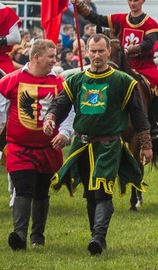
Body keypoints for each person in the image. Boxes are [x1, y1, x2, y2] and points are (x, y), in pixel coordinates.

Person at [44, 34, 152, 256]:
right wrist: (51, 117)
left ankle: (98, 237)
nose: (96, 56)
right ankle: (96, 237)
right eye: (92, 51)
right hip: (82, 145)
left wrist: (146, 144)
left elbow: (139, 116)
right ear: (86, 52)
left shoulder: (123, 81)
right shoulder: (76, 80)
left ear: (108, 52)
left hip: (108, 145)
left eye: (100, 51)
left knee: (102, 190)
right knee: (90, 194)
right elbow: (61, 103)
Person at [0, 39, 74, 250]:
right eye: (51, 57)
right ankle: (19, 234)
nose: (55, 60)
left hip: (47, 149)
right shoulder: (13, 80)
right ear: (36, 57)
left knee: (42, 191)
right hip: (19, 148)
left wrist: (65, 133)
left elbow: (69, 111)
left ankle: (37, 236)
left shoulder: (59, 83)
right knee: (23, 188)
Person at [73, 0, 158, 137]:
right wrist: (80, 6)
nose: (132, 3)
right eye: (130, 0)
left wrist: (131, 49)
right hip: (123, 64)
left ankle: (154, 122)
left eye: (136, 0)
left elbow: (149, 43)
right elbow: (97, 19)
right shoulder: (120, 19)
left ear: (143, 1)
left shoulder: (151, 23)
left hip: (144, 65)